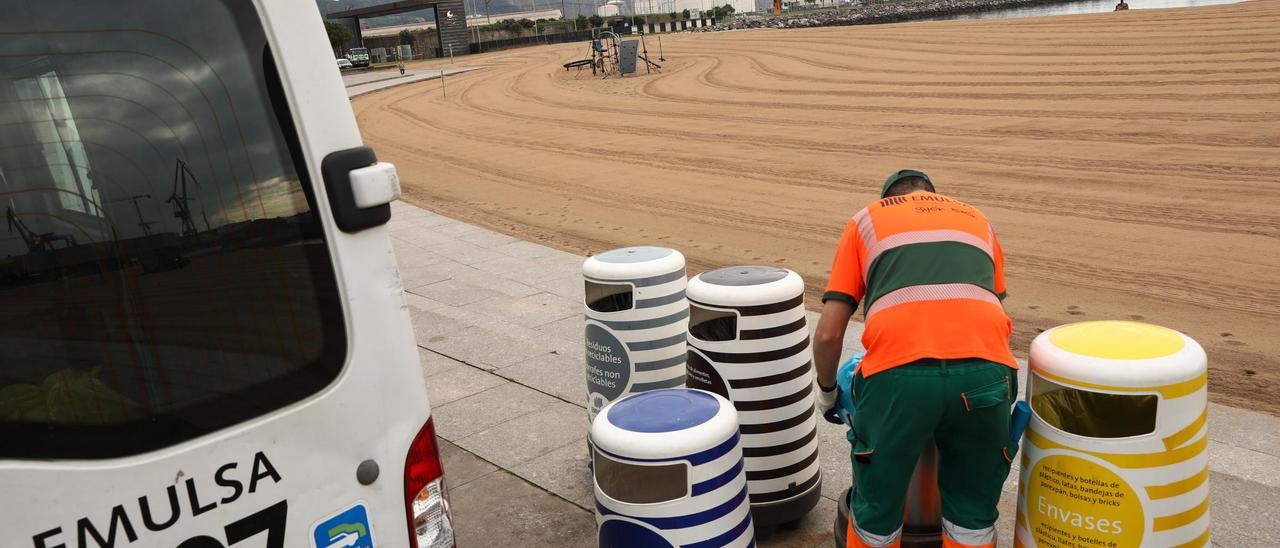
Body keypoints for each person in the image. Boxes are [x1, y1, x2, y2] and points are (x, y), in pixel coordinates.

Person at [813, 169, 1018, 548]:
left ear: (888, 197)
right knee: (972, 517)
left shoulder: (868, 219)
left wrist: (827, 394)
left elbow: (828, 333)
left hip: (898, 377)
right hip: (987, 376)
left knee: (876, 515)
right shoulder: (978, 220)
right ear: (933, 196)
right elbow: (993, 307)